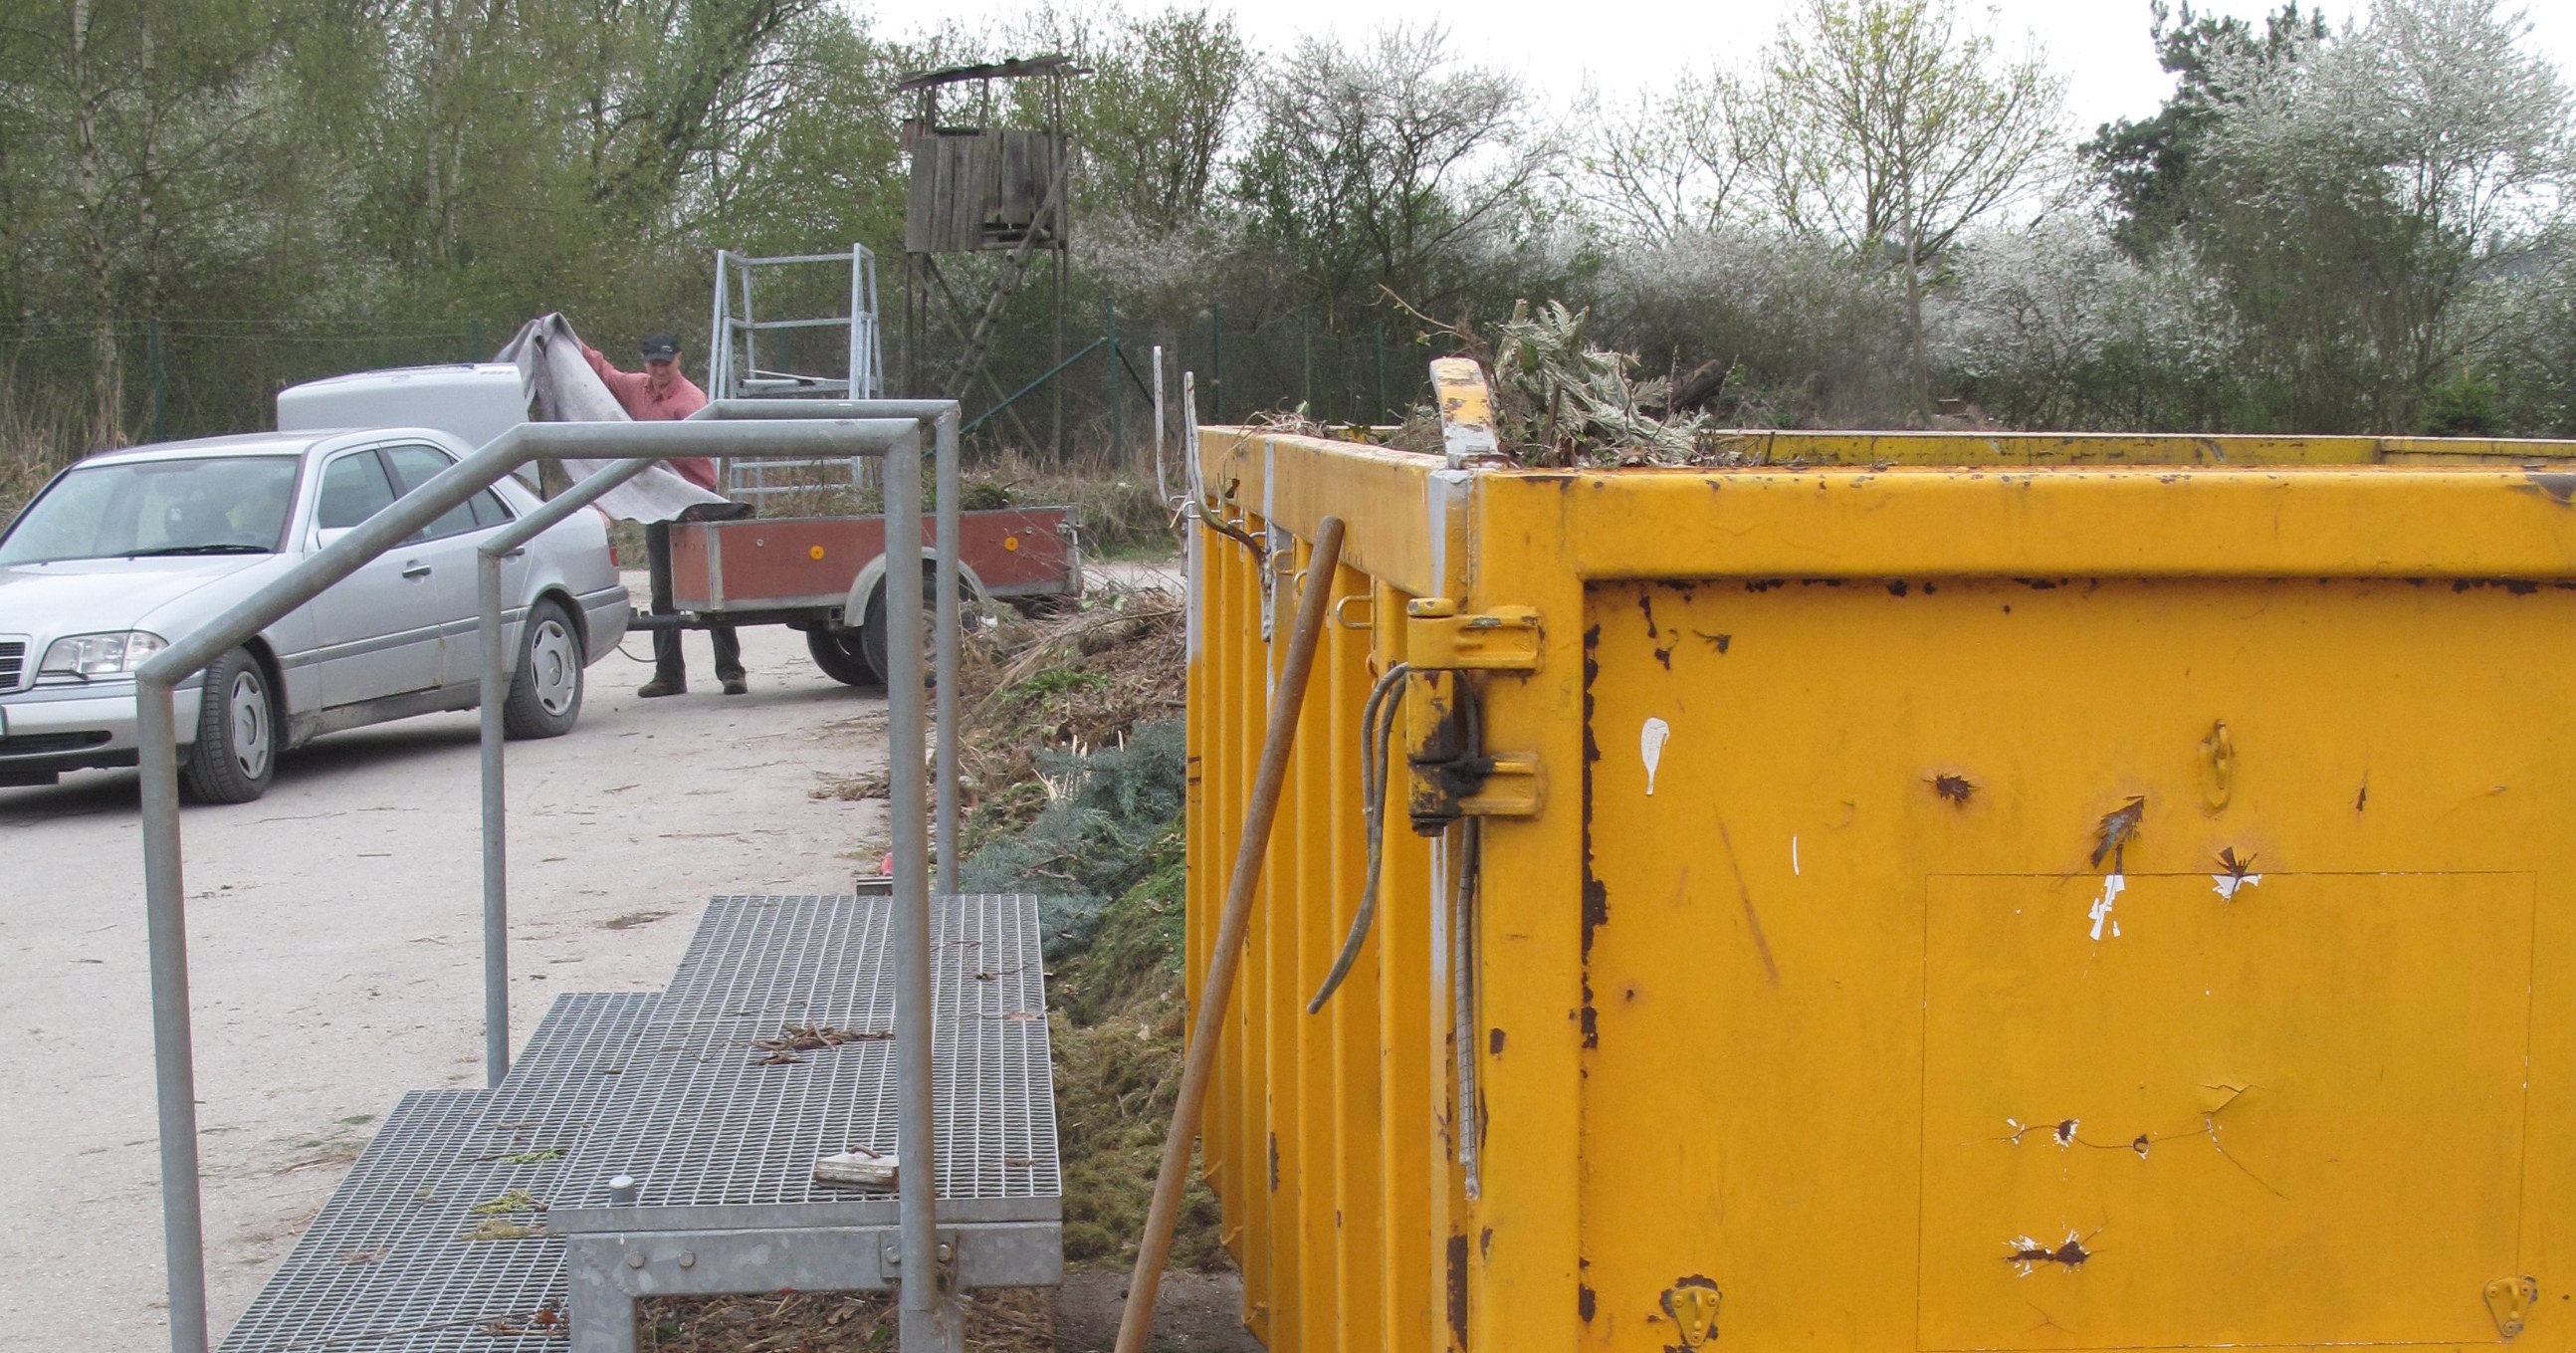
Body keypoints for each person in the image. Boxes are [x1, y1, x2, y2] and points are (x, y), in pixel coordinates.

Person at [582, 333, 750, 698]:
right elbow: (605, 373)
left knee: (710, 591)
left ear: (678, 360)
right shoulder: (636, 388)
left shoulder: (690, 401)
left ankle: (732, 671)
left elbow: (701, 454)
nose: (660, 370)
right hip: (658, 505)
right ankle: (669, 674)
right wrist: (569, 341)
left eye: (666, 362)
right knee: (663, 592)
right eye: (654, 363)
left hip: (695, 501)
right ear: (645, 363)